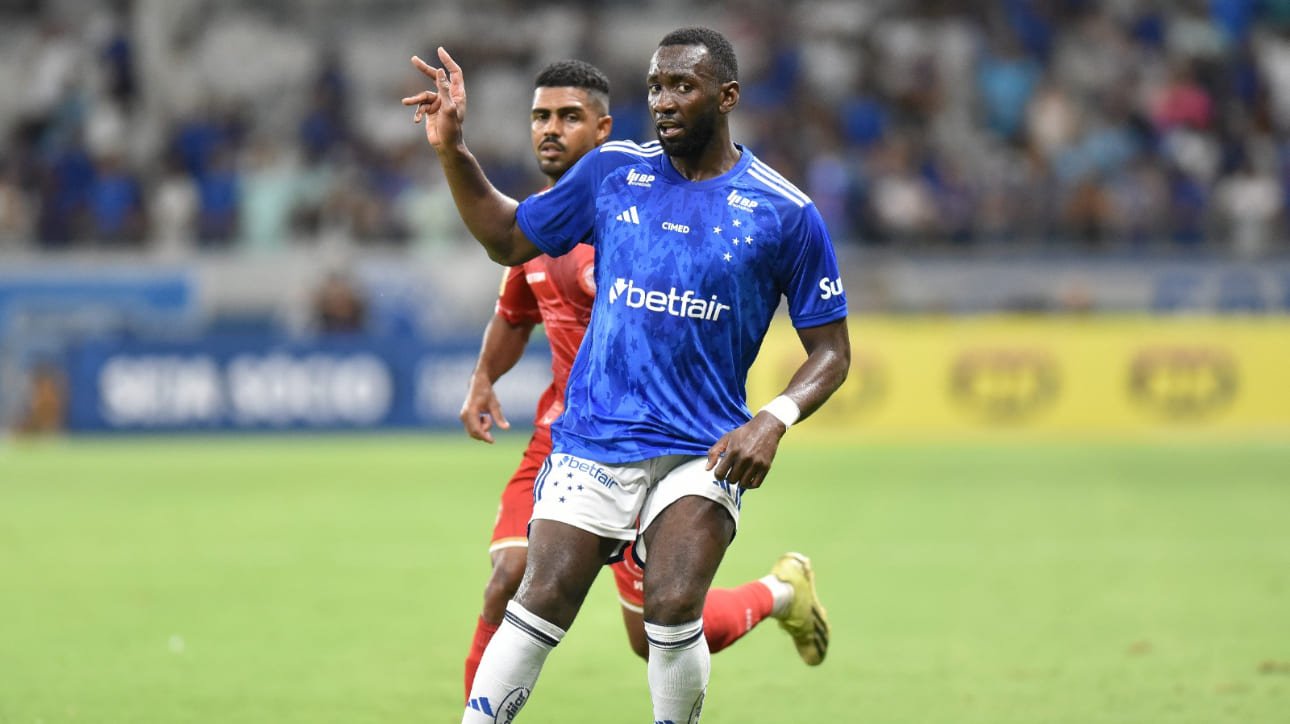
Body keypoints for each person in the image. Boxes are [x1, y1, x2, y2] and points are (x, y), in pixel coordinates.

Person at [404, 27, 850, 722]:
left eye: (683, 86)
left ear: (726, 96)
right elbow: (507, 239)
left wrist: (774, 418)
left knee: (670, 610)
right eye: (655, 86)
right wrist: (452, 150)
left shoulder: (785, 212)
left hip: (704, 447)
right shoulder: (614, 171)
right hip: (594, 438)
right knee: (535, 595)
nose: (664, 101)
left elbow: (831, 351)